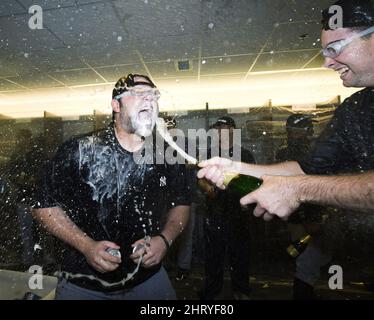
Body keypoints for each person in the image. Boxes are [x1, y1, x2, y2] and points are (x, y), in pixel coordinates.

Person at [197, 0, 374, 221]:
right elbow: (305, 169)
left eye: (335, 48)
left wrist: (299, 189)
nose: (327, 62)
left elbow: (301, 181)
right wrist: (236, 167)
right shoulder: (354, 110)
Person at [31, 74, 191, 300]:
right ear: (116, 104)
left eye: (153, 95)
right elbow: (41, 206)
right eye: (138, 94)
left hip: (149, 281)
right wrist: (86, 246)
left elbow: (182, 203)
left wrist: (165, 239)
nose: (149, 100)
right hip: (83, 284)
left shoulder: (167, 154)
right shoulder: (79, 151)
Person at [199, 116, 255, 300]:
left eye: (224, 127)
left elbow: (253, 182)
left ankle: (241, 291)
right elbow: (199, 178)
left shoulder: (244, 154)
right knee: (213, 257)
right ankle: (211, 293)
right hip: (214, 213)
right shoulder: (208, 153)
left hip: (238, 214)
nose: (220, 131)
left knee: (240, 256)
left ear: (233, 130)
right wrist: (208, 190)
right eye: (217, 128)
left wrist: (245, 198)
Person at [276, 114, 331, 300]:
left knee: (308, 265)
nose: (311, 132)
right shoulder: (301, 153)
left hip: (301, 216)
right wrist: (310, 220)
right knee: (307, 266)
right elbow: (302, 189)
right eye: (308, 129)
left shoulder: (288, 153)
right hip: (304, 218)